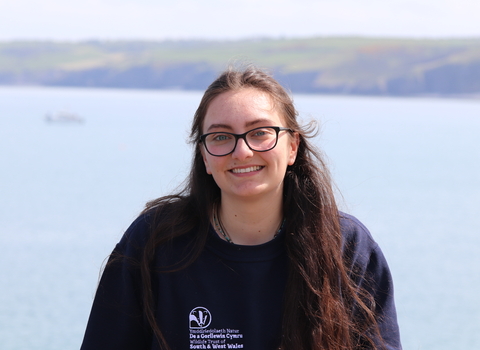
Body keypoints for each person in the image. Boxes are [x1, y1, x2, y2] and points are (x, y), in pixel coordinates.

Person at [80, 66, 402, 350]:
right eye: (221, 137)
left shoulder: (346, 246)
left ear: (292, 147)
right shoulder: (153, 242)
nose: (243, 151)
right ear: (205, 156)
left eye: (260, 132)